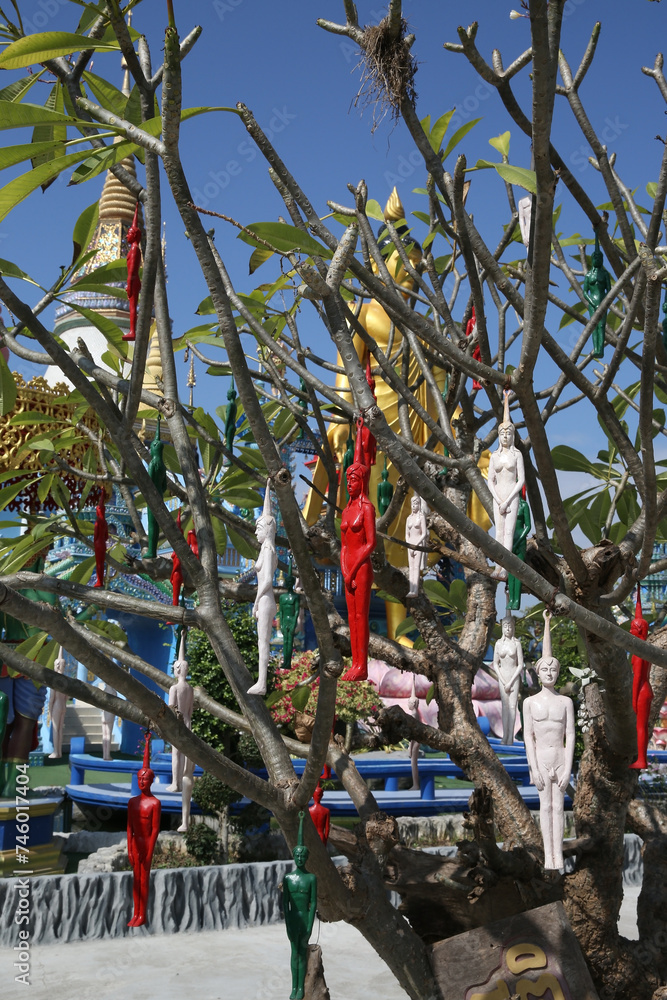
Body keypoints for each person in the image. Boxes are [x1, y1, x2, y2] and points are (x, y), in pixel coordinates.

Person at [522, 611, 575, 871]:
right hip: (541, 759)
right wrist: (532, 768)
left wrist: (567, 768)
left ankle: (559, 855)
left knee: (559, 807)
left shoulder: (566, 702)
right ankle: (548, 855)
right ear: (538, 672)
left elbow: (571, 735)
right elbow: (528, 738)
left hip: (559, 757)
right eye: (545, 669)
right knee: (545, 807)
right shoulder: (529, 703)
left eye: (553, 668)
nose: (550, 672)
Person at [340, 457, 376, 682]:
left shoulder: (367, 508)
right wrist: (345, 570)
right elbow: (344, 545)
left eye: (353, 480)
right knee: (351, 617)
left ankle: (362, 666)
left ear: (361, 482)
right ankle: (354, 663)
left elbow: (370, 543)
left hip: (361, 568)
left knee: (361, 616)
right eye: (347, 480)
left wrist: (352, 571)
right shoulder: (346, 510)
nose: (349, 484)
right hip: (348, 568)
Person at [488, 391, 525, 574]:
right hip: (498, 495)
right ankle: (497, 566)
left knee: (509, 532)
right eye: (502, 433)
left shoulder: (516, 454)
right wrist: (498, 500)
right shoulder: (494, 456)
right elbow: (490, 481)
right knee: (499, 532)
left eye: (508, 433)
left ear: (512, 435)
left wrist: (508, 500)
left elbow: (521, 480)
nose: (505, 436)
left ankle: (506, 568)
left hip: (511, 494)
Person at [127, 732, 161, 927]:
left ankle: (142, 914)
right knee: (135, 881)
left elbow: (155, 830)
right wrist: (130, 849)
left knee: (143, 881)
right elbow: (129, 828)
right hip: (135, 845)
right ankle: (135, 913)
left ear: (151, 781)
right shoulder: (132, 802)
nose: (141, 782)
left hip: (146, 845)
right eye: (139, 779)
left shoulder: (155, 803)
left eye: (145, 779)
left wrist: (149, 853)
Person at [283, 811, 317, 1000]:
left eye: (303, 856)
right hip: (293, 921)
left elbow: (313, 905)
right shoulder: (288, 878)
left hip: (305, 920)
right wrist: (288, 925)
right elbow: (286, 906)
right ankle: (294, 986)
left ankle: (301, 988)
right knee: (293, 952)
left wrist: (310, 927)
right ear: (294, 857)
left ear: (307, 858)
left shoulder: (311, 878)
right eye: (297, 855)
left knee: (302, 954)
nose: (300, 858)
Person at [247, 487, 278, 696]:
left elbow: (267, 579)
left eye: (258, 528)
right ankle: (261, 680)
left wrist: (256, 602)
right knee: (262, 641)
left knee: (263, 642)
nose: (256, 532)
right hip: (265, 599)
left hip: (265, 598)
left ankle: (262, 682)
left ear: (267, 529)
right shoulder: (266, 547)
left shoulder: (268, 549)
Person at [166, 634, 194, 791]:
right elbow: (190, 710)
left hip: (177, 723)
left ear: (177, 670)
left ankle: (175, 783)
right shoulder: (190, 688)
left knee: (175, 755)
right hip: (187, 721)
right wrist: (182, 638)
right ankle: (181, 781)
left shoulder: (174, 688)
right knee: (183, 753)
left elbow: (171, 708)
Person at [629, 593, 653, 771]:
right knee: (642, 725)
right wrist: (638, 592)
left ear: (638, 631)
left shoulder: (638, 652)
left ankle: (642, 759)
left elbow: (636, 678)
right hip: (647, 688)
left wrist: (633, 699)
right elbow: (639, 618)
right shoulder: (645, 646)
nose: (629, 631)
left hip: (641, 691)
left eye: (632, 629)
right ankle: (642, 758)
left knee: (640, 727)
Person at [493, 614, 524, 745]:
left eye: (510, 626)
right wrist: (503, 680)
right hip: (503, 676)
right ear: (502, 628)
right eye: (505, 626)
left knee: (512, 706)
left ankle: (510, 737)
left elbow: (520, 664)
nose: (508, 629)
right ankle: (504, 736)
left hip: (513, 676)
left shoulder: (517, 643)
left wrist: (510, 682)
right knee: (504, 707)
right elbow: (495, 663)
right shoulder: (499, 644)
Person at [582, 234, 611, 358]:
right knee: (594, 326)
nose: (598, 259)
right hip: (592, 301)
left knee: (602, 325)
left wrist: (605, 302)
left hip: (603, 300)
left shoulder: (605, 274)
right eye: (596, 257)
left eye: (600, 257)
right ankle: (596, 348)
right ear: (593, 259)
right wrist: (591, 302)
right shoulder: (588, 275)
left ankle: (601, 349)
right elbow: (585, 292)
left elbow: (609, 290)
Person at [507, 486, 531, 611]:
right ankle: (511, 599)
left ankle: (516, 600)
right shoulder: (509, 506)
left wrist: (519, 540)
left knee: (518, 571)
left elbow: (528, 526)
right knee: (510, 572)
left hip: (520, 541)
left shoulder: (524, 506)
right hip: (510, 540)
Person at [146, 417, 168, 558]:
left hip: (152, 496)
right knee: (156, 524)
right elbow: (165, 485)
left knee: (152, 524)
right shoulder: (163, 465)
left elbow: (148, 481)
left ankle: (151, 551)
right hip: (159, 494)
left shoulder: (153, 464)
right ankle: (152, 550)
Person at [123, 202, 142, 342]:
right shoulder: (133, 248)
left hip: (133, 281)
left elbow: (133, 271)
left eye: (129, 233)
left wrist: (129, 284)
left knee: (132, 307)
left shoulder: (135, 249)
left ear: (134, 236)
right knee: (132, 306)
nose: (126, 236)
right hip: (132, 281)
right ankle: (131, 330)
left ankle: (132, 330)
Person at [406, 495, 428, 598]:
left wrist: (416, 545)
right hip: (410, 544)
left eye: (416, 504)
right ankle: (411, 589)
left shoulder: (421, 517)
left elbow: (423, 533)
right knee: (411, 568)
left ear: (419, 505)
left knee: (416, 567)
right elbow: (407, 534)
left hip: (418, 544)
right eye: (413, 504)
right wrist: (409, 544)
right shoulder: (409, 518)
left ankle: (415, 590)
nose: (414, 506)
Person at [48, 648, 68, 759]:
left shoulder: (55, 679)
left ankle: (56, 752)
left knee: (55, 729)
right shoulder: (65, 680)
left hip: (56, 706)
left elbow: (51, 698)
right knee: (60, 729)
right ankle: (59, 752)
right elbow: (66, 697)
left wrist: (50, 711)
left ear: (56, 665)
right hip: (63, 706)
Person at [279, 569, 300, 671]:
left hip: (291, 620)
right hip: (284, 621)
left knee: (290, 641)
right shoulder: (282, 597)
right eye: (287, 582)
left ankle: (288, 662)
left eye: (290, 582)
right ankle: (285, 662)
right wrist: (281, 625)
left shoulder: (296, 597)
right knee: (285, 641)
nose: (288, 584)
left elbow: (296, 611)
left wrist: (294, 624)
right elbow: (281, 612)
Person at [93, 491, 109, 588]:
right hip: (103, 543)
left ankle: (99, 581)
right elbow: (106, 536)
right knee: (101, 563)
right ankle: (100, 581)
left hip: (98, 543)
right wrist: (102, 492)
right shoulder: (105, 522)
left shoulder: (98, 521)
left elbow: (95, 535)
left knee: (98, 563)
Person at [100, 681, 117, 762]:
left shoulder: (104, 691)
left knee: (104, 735)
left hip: (103, 714)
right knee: (108, 734)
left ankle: (104, 754)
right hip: (109, 715)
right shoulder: (113, 692)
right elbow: (115, 706)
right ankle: (107, 755)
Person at [224, 383, 238, 454]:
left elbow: (228, 418)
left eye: (228, 394)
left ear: (231, 394)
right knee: (230, 443)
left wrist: (225, 430)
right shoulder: (235, 405)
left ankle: (229, 459)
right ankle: (229, 459)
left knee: (228, 444)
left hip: (230, 426)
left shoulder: (230, 405)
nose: (227, 396)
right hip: (233, 425)